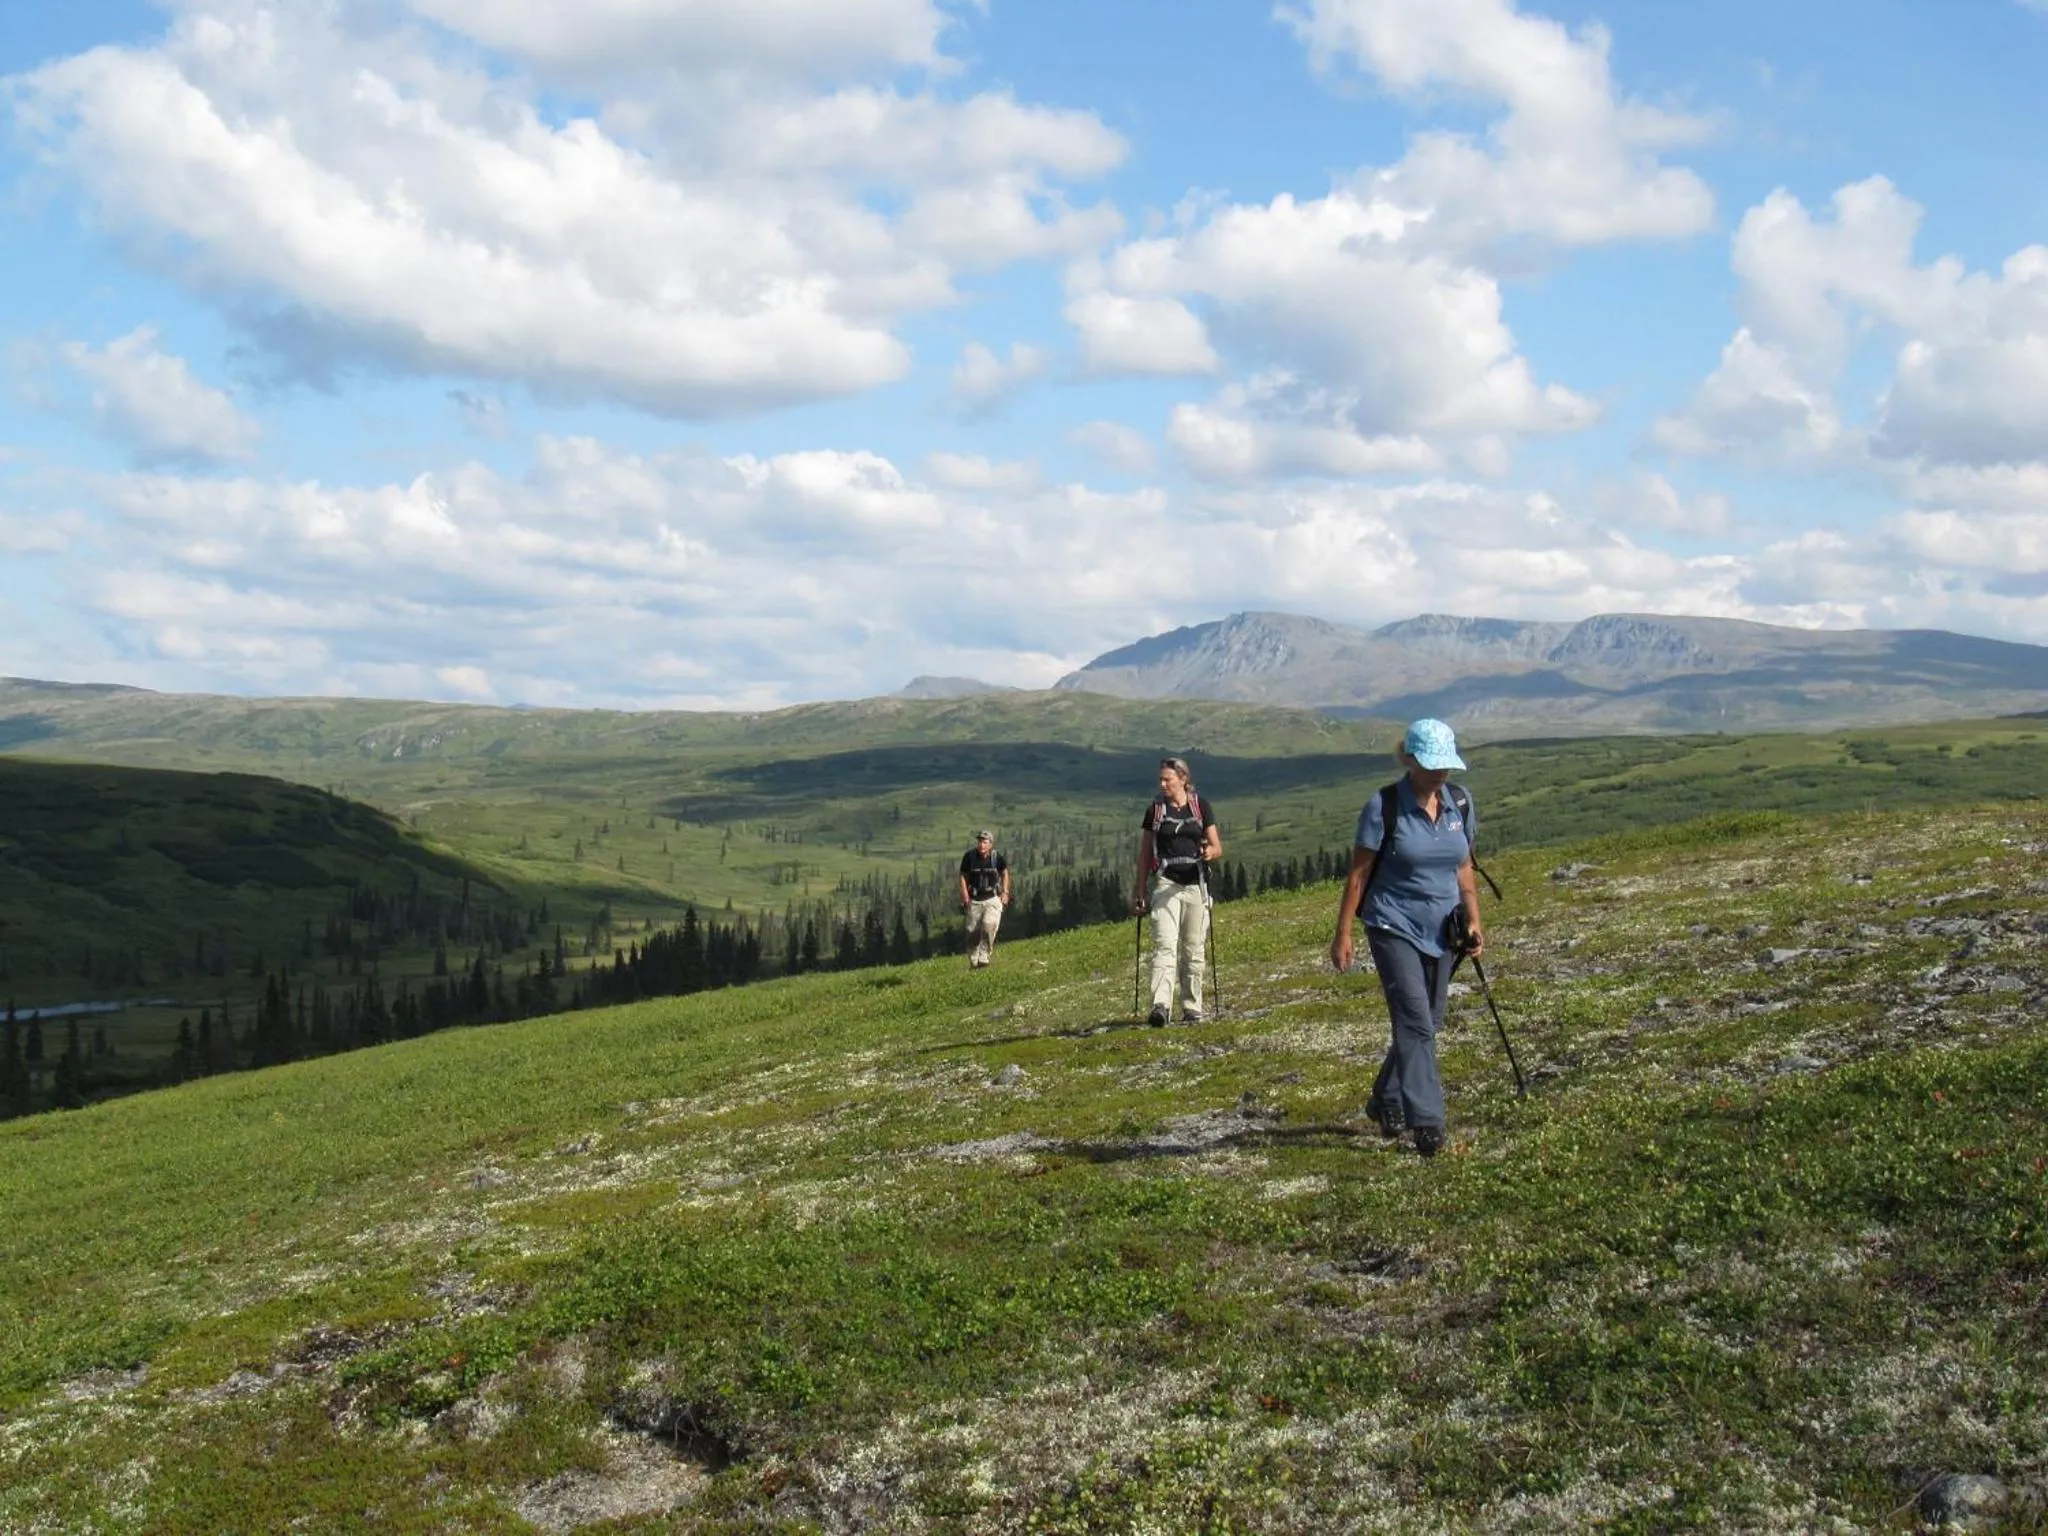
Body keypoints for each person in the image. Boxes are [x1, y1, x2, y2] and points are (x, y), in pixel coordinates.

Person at [1328, 719, 1483, 1159]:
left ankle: (1386, 1098)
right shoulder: (1383, 807)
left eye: (1445, 765)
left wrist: (1473, 921)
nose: (1440, 774)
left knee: (1429, 1021)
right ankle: (1428, 1122)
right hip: (1392, 924)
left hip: (1442, 927)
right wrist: (1343, 934)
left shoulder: (1459, 803)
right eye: (1432, 765)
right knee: (1415, 1021)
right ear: (1409, 759)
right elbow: (1358, 876)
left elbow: (1464, 868)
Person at [1132, 757, 1222, 1026]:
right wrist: (1140, 890)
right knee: (1165, 945)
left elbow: (1218, 847)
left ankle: (1192, 1007)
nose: (1162, 784)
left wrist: (1210, 852)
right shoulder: (1155, 811)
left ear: (1183, 779)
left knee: (1193, 948)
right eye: (1161, 779)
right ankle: (1161, 1006)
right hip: (1166, 883)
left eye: (1167, 779)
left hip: (1196, 884)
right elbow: (1146, 852)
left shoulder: (1201, 807)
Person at [958, 829, 1010, 969]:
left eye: (984, 842)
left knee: (989, 926)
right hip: (974, 900)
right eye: (980, 841)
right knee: (972, 933)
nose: (981, 844)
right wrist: (964, 892)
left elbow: (1004, 873)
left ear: (990, 844)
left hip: (992, 898)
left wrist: (1005, 892)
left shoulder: (996, 857)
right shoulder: (969, 857)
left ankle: (984, 956)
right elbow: (963, 875)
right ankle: (974, 961)